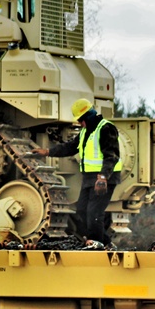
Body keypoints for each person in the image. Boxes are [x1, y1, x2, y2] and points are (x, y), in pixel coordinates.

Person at [32, 98, 122, 245]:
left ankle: (97, 244)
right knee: (81, 211)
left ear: (88, 116)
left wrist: (103, 177)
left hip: (103, 178)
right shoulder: (85, 132)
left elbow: (111, 155)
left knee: (94, 214)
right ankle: (105, 243)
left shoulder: (106, 128)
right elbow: (70, 147)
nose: (80, 123)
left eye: (81, 120)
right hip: (89, 178)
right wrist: (47, 151)